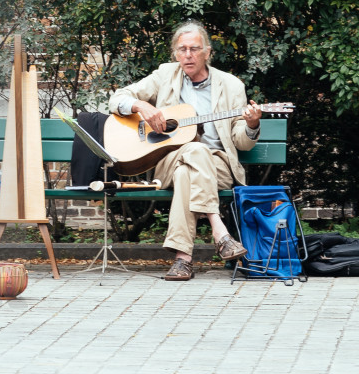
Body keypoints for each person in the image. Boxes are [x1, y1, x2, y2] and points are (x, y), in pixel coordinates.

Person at [108, 22, 262, 281]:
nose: (187, 55)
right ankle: (220, 231)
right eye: (182, 49)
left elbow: (241, 142)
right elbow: (117, 98)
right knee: (193, 152)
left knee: (189, 168)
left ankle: (182, 259)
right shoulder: (165, 75)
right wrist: (140, 106)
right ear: (175, 53)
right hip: (168, 160)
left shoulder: (231, 85)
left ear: (207, 52)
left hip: (217, 166)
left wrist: (252, 124)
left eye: (194, 49)